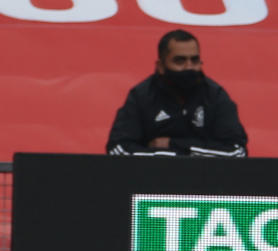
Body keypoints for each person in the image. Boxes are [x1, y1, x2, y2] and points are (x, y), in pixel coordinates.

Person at [106, 29, 248, 157]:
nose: (189, 67)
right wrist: (175, 157)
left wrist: (174, 145)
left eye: (194, 60)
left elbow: (237, 152)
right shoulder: (141, 96)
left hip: (206, 181)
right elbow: (118, 150)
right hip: (152, 181)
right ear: (161, 66)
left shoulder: (215, 96)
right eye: (179, 61)